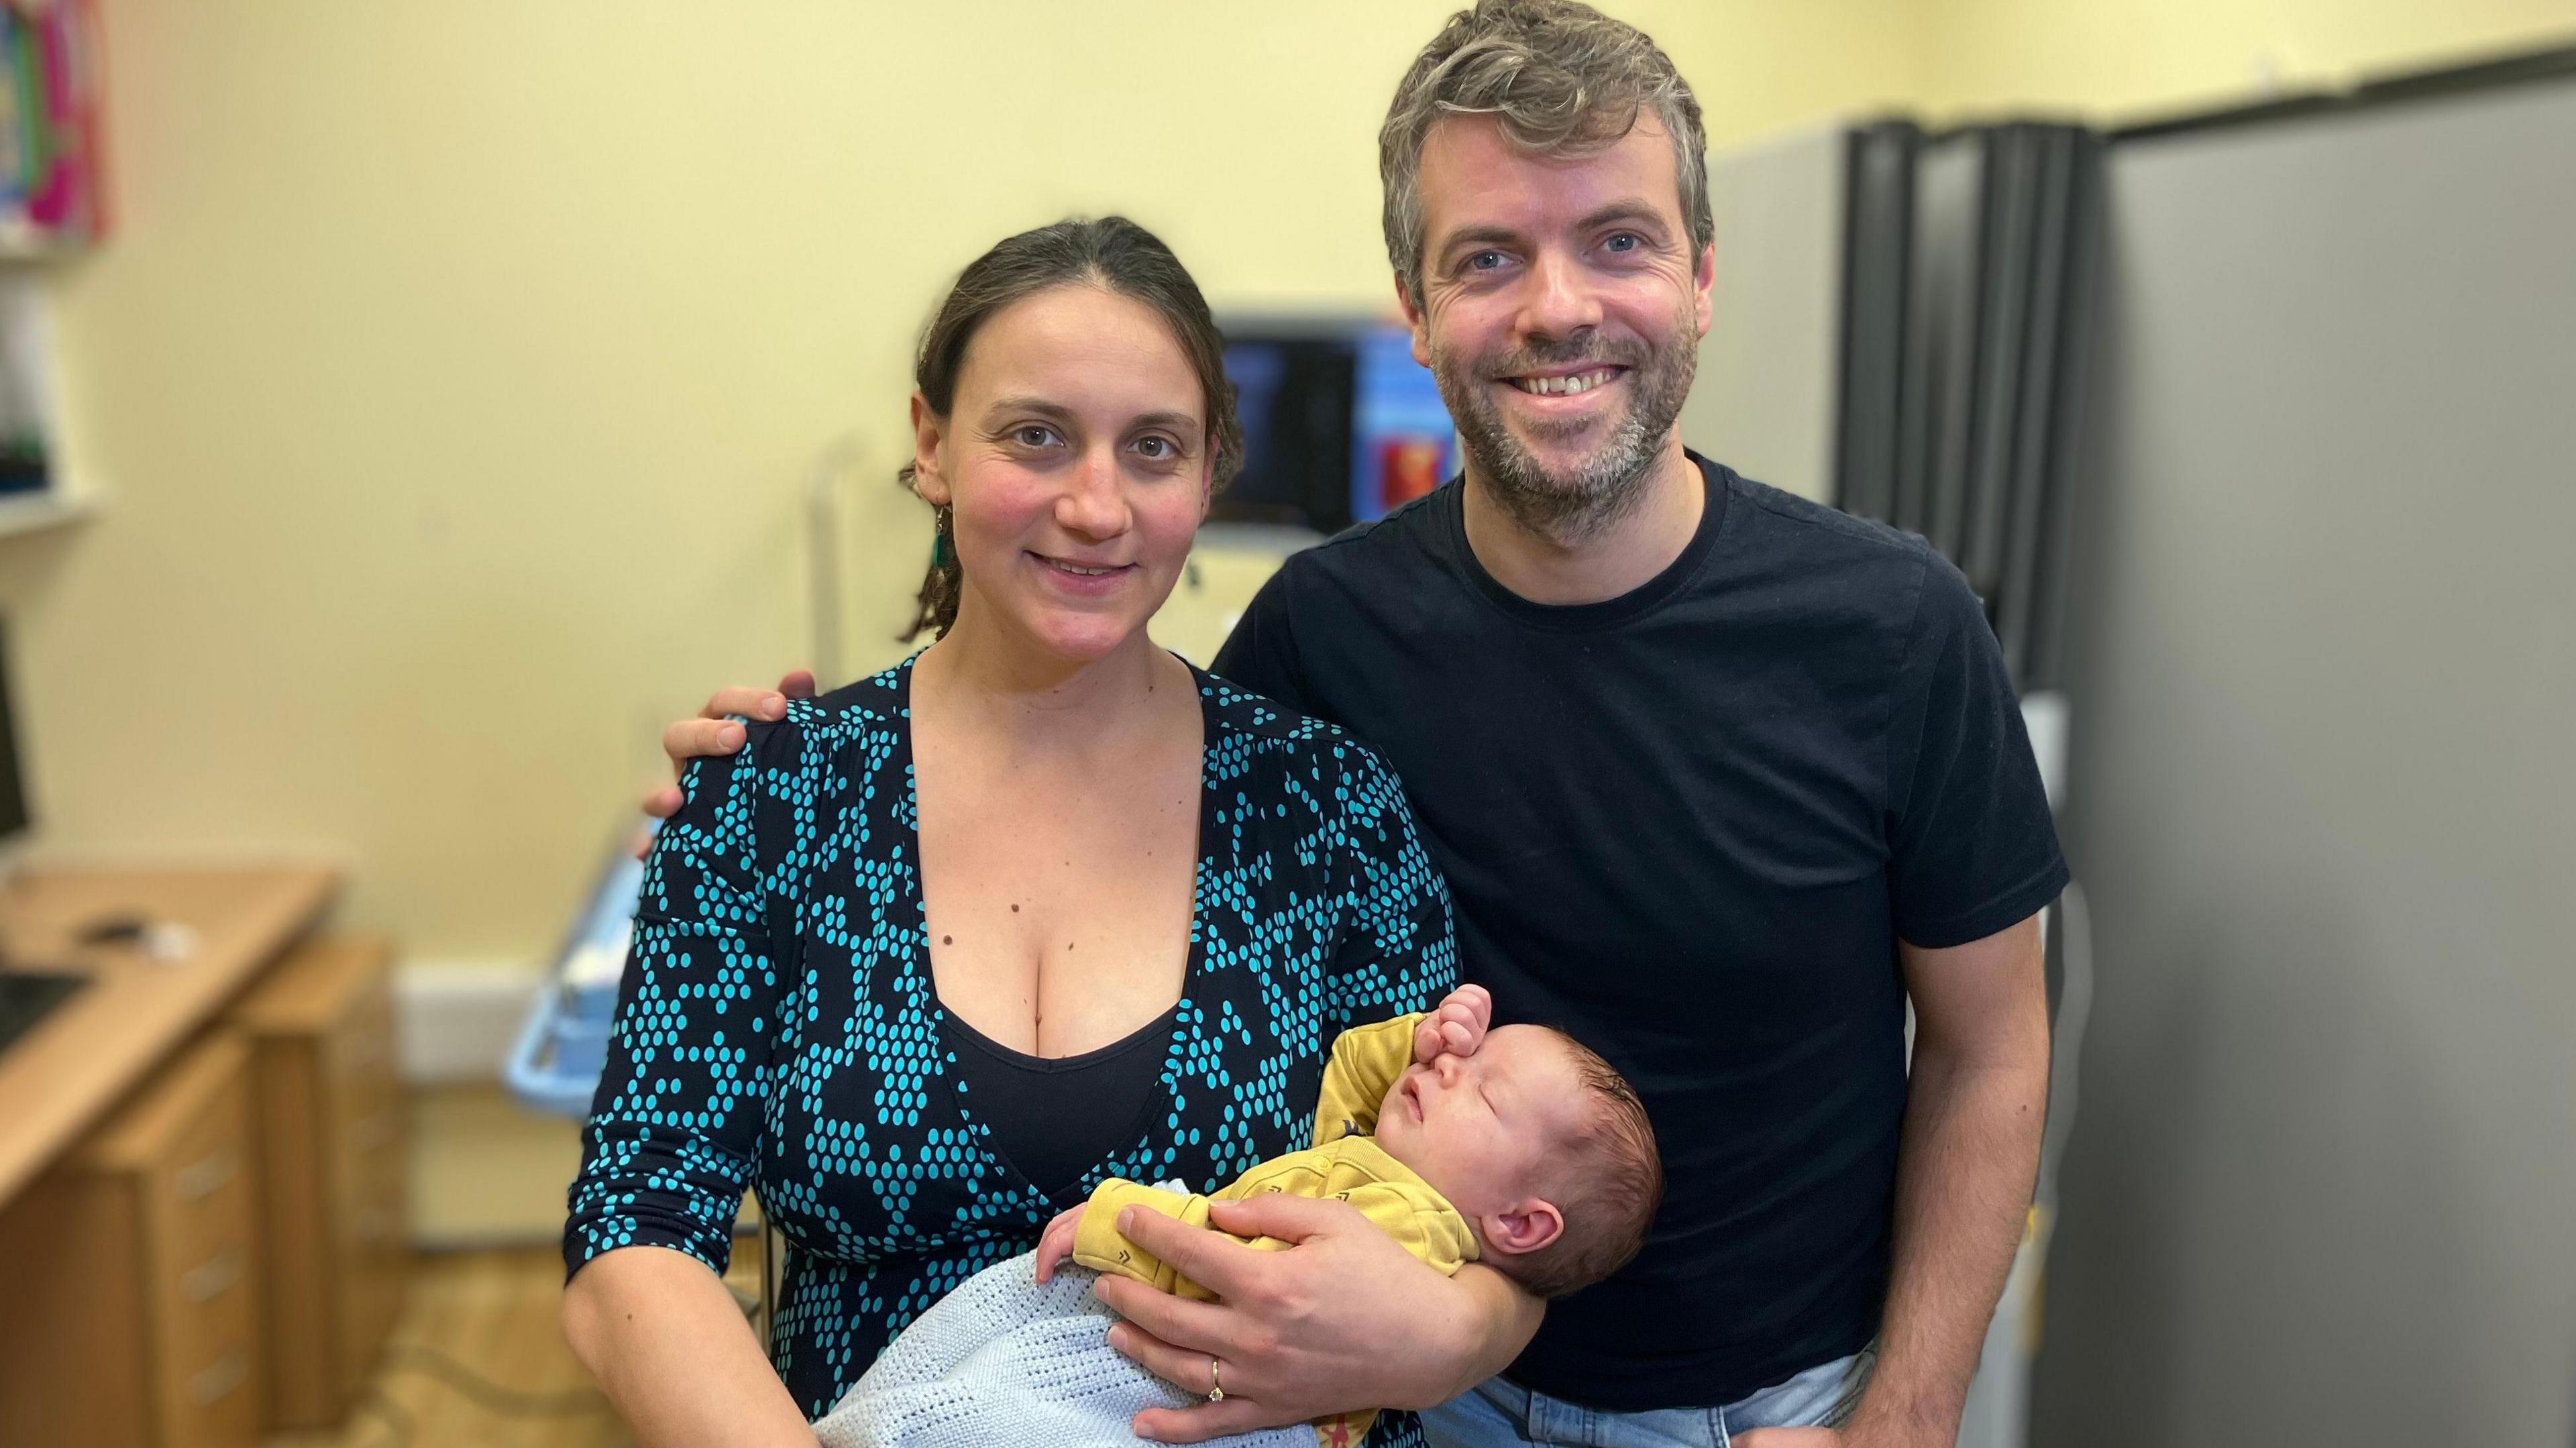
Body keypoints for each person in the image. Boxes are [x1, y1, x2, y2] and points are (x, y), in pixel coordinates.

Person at [657, 4, 2066, 1445]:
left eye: (1619, 241)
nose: (1558, 307)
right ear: (1415, 305)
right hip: (1377, 1403)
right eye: (1488, 256)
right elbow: (1088, 761)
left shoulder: (1895, 628)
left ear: (1702, 275)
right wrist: (795, 786)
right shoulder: (1319, 640)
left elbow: (1992, 1048)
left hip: (1765, 1410)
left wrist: (1904, 1423)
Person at [563, 215, 1539, 1448]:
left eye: (1154, 447)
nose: (1095, 505)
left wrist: (1449, 1332)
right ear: (932, 445)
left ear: (1210, 473)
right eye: (1036, 435)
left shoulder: (1327, 809)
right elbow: (638, 1228)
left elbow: (1466, 1224)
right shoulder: (775, 798)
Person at [813, 985, 1661, 1448]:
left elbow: (1239, 1276)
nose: (1451, 1067)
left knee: (991, 1412)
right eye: (1466, 1056)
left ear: (1520, 1225)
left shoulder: (1405, 1229)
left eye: (1484, 1090)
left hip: (1206, 1399)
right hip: (1192, 1360)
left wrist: (1117, 1218)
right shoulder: (1379, 1170)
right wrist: (1416, 1040)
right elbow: (1346, 1071)